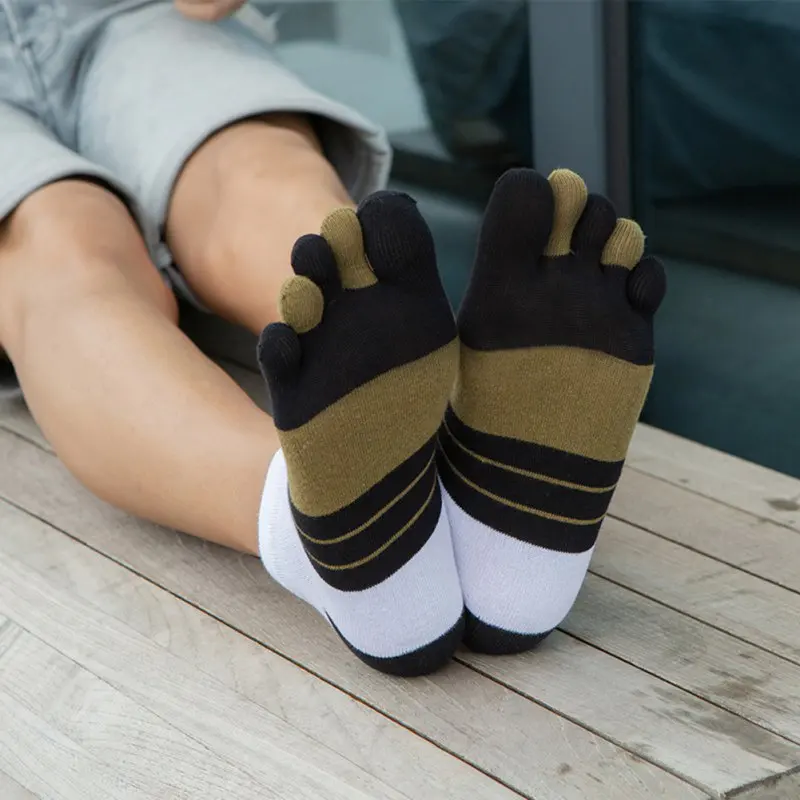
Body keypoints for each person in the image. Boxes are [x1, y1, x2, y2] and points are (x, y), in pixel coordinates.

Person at [0, 0, 665, 676]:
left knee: (258, 171)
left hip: (124, 13)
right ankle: (338, 529)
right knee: (57, 245)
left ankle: (433, 516)